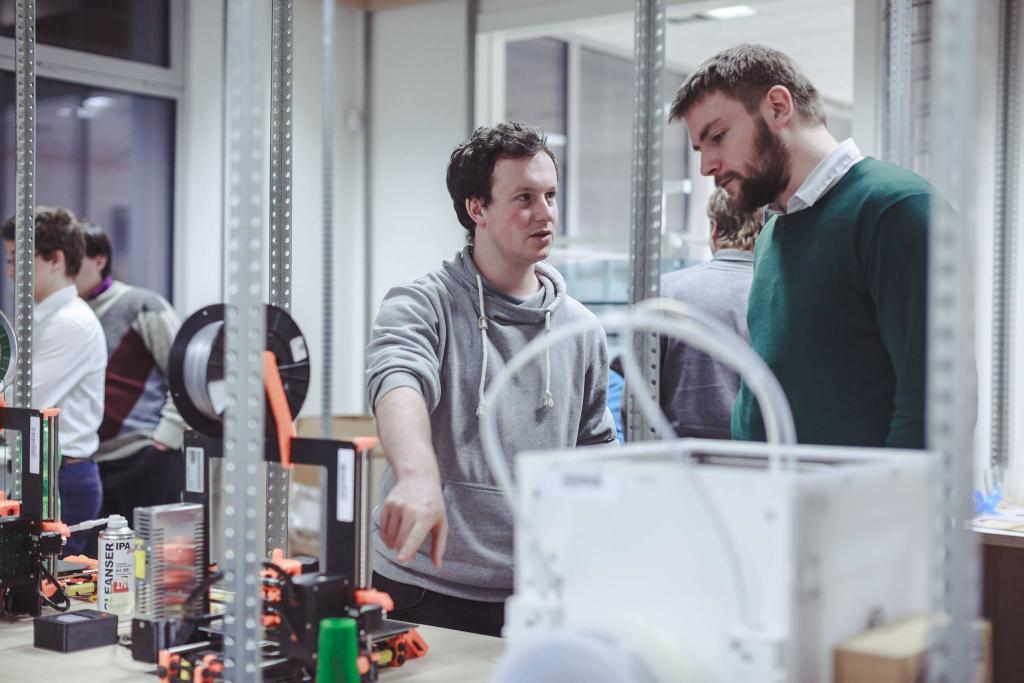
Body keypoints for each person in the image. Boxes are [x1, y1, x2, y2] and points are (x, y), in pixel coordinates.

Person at [365, 122, 617, 636]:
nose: (546, 213)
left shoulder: (581, 329)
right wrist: (417, 475)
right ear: (476, 208)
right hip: (423, 585)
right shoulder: (423, 304)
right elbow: (398, 378)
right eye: (525, 197)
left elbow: (595, 448)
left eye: (550, 194)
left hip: (535, 593)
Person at [668, 44, 930, 448]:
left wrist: (887, 510)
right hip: (775, 500)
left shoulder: (891, 208)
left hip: (856, 506)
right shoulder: (773, 233)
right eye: (701, 150)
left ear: (777, 106)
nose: (707, 166)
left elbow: (929, 402)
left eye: (717, 137)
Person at [2, 207, 107, 556]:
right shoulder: (46, 318)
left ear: (55, 259)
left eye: (18, 259)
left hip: (61, 479)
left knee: (45, 595)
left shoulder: (70, 323)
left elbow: (21, 400)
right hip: (44, 471)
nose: (10, 272)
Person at [73, 221, 186, 526]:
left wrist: (167, 435)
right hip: (91, 463)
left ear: (100, 260)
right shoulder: (69, 316)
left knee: (149, 563)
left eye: (76, 260)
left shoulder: (142, 305)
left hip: (144, 457)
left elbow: (185, 372)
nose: (68, 269)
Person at [660, 188, 764, 439]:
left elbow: (637, 399)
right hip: (758, 465)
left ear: (714, 228)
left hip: (677, 464)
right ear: (763, 230)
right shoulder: (776, 294)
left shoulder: (665, 291)